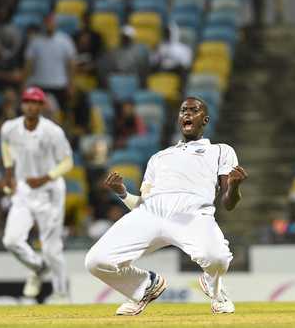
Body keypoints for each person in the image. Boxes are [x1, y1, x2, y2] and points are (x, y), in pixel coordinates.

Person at [85, 97, 248, 316]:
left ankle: (215, 288)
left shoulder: (221, 150)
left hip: (192, 214)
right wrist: (123, 193)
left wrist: (235, 186)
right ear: (179, 119)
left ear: (205, 119)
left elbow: (229, 203)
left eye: (194, 110)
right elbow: (141, 203)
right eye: (183, 111)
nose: (187, 114)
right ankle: (144, 286)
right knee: (96, 261)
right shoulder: (158, 157)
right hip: (151, 213)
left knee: (217, 259)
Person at [0, 86, 74, 302]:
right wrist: (8, 173)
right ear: (22, 104)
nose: (30, 105)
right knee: (11, 240)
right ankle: (37, 267)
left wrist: (45, 177)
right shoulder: (10, 128)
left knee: (52, 248)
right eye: (27, 101)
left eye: (35, 102)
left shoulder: (53, 131)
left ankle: (61, 293)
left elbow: (68, 162)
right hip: (23, 190)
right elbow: (6, 147)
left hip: (50, 191)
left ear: (42, 106)